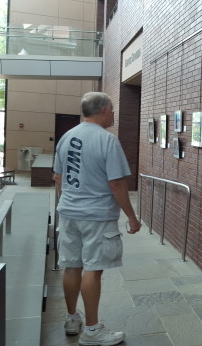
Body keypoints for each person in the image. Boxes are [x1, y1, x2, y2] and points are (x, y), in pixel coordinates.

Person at [53, 92, 141, 346]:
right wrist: (132, 218)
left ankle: (72, 319)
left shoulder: (66, 137)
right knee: (93, 269)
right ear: (103, 110)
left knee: (71, 265)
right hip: (96, 216)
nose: (114, 114)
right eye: (112, 110)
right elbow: (116, 183)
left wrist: (71, 202)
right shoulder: (107, 141)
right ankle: (92, 330)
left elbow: (58, 177)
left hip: (68, 211)